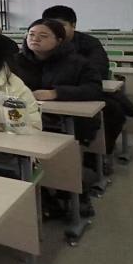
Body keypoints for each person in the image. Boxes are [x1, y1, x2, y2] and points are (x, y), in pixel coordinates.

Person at [16, 18, 104, 216]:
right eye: (31, 34)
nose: (35, 39)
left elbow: (94, 89)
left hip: (70, 122)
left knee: (62, 151)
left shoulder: (78, 62)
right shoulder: (17, 61)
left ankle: (72, 194)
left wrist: (56, 93)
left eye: (43, 36)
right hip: (27, 121)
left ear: (59, 40)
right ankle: (44, 197)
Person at [42, 4, 133, 153]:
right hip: (51, 95)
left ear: (73, 25)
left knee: (113, 111)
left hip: (85, 93)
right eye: (51, 26)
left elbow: (97, 72)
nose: (56, 30)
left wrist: (60, 85)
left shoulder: (89, 43)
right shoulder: (43, 43)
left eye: (61, 25)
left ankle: (95, 154)